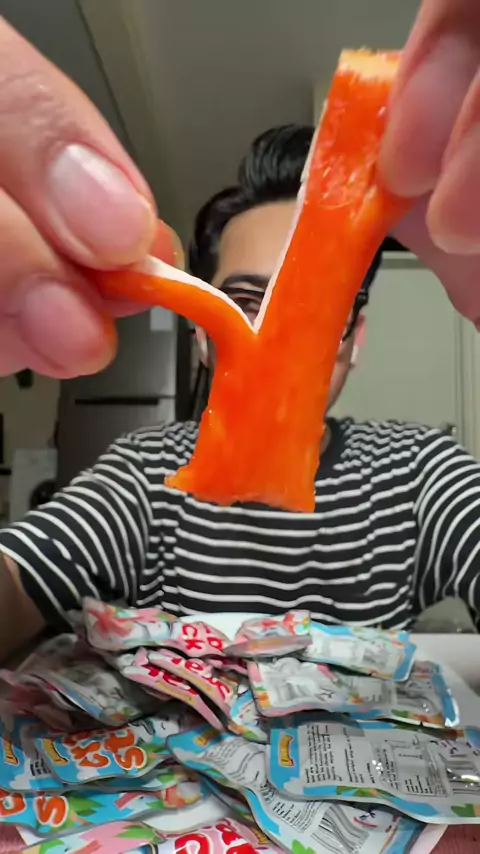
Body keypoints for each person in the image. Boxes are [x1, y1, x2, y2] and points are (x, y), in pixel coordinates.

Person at [1, 121, 480, 663]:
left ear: (355, 339)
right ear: (202, 335)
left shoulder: (417, 471)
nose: (280, 343)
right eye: (247, 304)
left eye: (320, 307)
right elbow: (18, 579)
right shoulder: (144, 471)